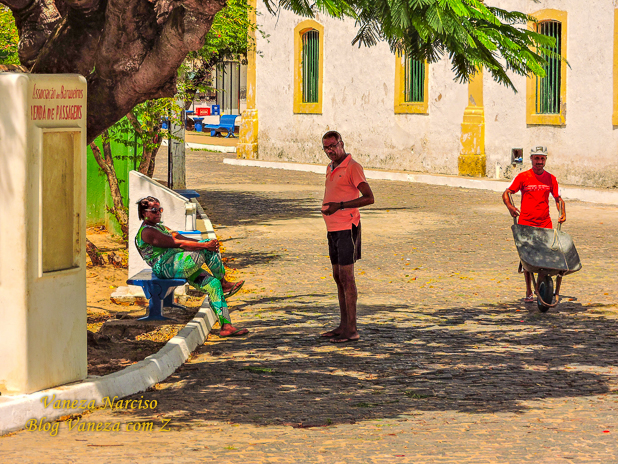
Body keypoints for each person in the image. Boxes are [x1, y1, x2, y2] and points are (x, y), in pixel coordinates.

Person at [135, 196, 248, 336]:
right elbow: (177, 243)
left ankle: (226, 326)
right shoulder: (147, 232)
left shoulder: (158, 227)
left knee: (213, 285)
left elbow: (179, 237)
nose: (158, 212)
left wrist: (201, 243)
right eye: (154, 210)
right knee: (207, 249)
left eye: (160, 209)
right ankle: (223, 281)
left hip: (179, 263)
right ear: (144, 213)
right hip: (166, 268)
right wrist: (204, 245)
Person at [320, 131, 374, 343]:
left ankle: (351, 329)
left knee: (347, 277)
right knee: (337, 277)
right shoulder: (330, 167)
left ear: (341, 144)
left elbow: (369, 198)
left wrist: (340, 207)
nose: (330, 151)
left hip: (347, 228)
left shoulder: (353, 167)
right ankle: (343, 325)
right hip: (332, 229)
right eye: (326, 148)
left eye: (333, 146)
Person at [502, 146, 566, 302]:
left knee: (544, 257)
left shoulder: (551, 178)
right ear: (531, 159)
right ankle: (529, 291)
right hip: (526, 222)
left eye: (542, 158)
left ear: (545, 160)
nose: (539, 161)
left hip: (544, 223)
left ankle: (541, 286)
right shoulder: (523, 177)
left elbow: (558, 198)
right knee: (527, 259)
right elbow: (507, 193)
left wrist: (562, 212)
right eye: (537, 158)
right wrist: (510, 207)